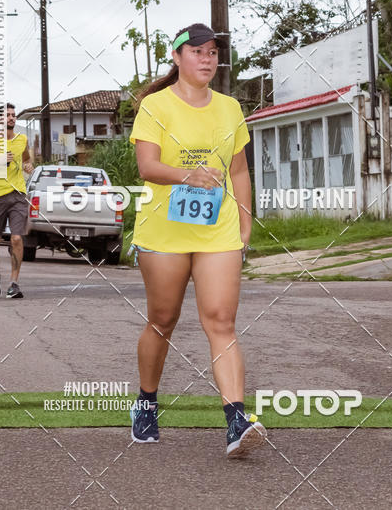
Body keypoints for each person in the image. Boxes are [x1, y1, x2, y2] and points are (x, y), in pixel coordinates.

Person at [128, 23, 266, 458]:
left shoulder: (228, 109)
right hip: (164, 231)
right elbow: (147, 166)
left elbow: (239, 171)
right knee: (162, 320)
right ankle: (147, 402)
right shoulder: (155, 106)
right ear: (177, 57)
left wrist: (244, 224)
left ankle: (236, 421)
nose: (207, 60)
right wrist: (188, 174)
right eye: (198, 52)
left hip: (217, 231)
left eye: (213, 53)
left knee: (220, 320)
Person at [0, 103, 33, 299]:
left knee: (17, 238)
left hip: (18, 194)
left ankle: (14, 283)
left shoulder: (22, 139)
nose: (11, 118)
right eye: (7, 115)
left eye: (13, 115)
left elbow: (27, 158)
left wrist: (28, 166)